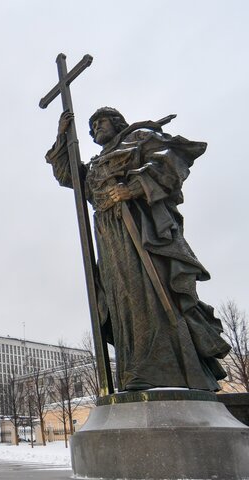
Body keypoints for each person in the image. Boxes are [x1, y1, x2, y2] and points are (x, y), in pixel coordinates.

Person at [46, 107, 230, 392]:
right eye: (91, 126)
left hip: (141, 230)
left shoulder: (138, 138)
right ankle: (135, 370)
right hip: (109, 236)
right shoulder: (95, 166)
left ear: (117, 122)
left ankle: (168, 373)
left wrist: (133, 188)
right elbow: (68, 175)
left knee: (149, 293)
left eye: (100, 121)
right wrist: (62, 137)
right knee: (121, 300)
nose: (95, 128)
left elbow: (173, 161)